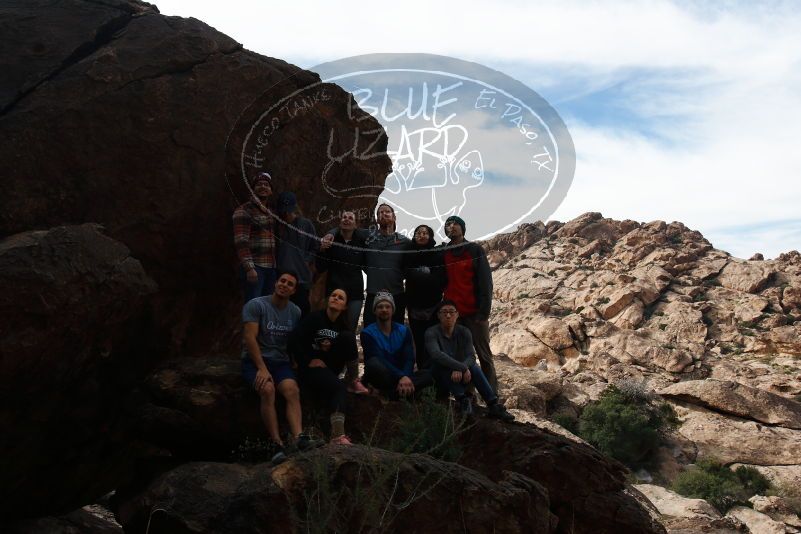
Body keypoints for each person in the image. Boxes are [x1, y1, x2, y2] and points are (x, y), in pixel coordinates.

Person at [241, 270, 323, 463]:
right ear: (275, 283)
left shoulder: (295, 311)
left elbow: (293, 340)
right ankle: (276, 444)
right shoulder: (256, 305)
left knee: (292, 390)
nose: (284, 285)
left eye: (289, 284)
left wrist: (300, 361)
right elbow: (249, 338)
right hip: (255, 360)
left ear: (294, 290)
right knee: (268, 390)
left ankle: (299, 438)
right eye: (282, 281)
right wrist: (261, 367)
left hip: (280, 362)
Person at [290, 288, 360, 445]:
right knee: (338, 388)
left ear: (345, 306)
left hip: (331, 367)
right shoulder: (315, 318)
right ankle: (337, 435)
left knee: (348, 337)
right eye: (333, 295)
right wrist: (308, 360)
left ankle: (353, 380)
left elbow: (346, 349)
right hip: (312, 369)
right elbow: (295, 339)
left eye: (340, 298)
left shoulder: (342, 325)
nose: (335, 298)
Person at [426, 299, 514, 421]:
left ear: (457, 314)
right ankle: (462, 399)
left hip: (459, 374)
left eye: (451, 312)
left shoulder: (464, 332)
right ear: (438, 315)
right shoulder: (431, 332)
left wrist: (463, 367)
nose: (448, 315)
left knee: (474, 367)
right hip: (439, 376)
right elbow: (437, 355)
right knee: (443, 365)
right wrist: (461, 367)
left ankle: (493, 404)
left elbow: (471, 356)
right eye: (444, 312)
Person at [323, 203, 409, 326]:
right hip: (373, 294)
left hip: (396, 294)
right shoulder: (368, 236)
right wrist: (331, 233)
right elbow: (348, 226)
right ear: (377, 219)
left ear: (394, 217)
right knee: (369, 333)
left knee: (397, 333)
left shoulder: (404, 242)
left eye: (387, 212)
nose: (383, 214)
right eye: (380, 212)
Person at [441, 215, 498, 393]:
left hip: (475, 313)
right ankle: (467, 394)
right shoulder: (443, 252)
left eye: (456, 223)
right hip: (453, 316)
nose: (452, 227)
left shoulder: (474, 250)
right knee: (460, 356)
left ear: (463, 228)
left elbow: (485, 281)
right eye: (448, 224)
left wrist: (484, 312)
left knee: (484, 355)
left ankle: (492, 396)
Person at [360, 291, 433, 399]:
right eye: (380, 307)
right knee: (374, 364)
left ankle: (387, 394)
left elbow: (409, 358)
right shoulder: (367, 333)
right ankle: (407, 392)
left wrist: (406, 376)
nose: (384, 309)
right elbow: (378, 359)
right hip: (383, 375)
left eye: (387, 306)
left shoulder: (403, 331)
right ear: (374, 311)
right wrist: (402, 376)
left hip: (401, 375)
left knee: (428, 375)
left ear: (392, 310)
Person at [403, 224, 446, 369]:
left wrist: (418, 276)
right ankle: (422, 379)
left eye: (425, 233)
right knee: (419, 344)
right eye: (418, 233)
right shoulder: (408, 253)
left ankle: (434, 381)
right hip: (414, 307)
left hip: (433, 306)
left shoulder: (437, 253)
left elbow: (440, 279)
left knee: (433, 344)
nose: (422, 235)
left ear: (430, 236)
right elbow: (406, 273)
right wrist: (427, 276)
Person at [316, 211, 366, 331]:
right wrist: (321, 250)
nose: (346, 219)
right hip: (334, 291)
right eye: (344, 217)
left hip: (355, 294)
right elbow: (320, 267)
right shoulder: (331, 242)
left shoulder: (362, 243)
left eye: (350, 218)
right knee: (330, 328)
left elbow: (369, 266)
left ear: (355, 225)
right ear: (340, 222)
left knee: (350, 329)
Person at [233, 171, 277, 302]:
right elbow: (241, 242)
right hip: (255, 267)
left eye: (266, 185)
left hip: (271, 267)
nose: (263, 187)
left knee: (267, 307)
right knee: (253, 305)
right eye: (259, 184)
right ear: (252, 189)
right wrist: (249, 268)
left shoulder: (271, 212)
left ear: (271, 191)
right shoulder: (244, 210)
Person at [275, 191, 318, 318]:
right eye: (283, 211)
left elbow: (314, 246)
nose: (286, 214)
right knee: (280, 315)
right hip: (281, 279)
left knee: (302, 314)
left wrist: (307, 260)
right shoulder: (277, 226)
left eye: (288, 211)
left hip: (302, 279)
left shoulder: (306, 224)